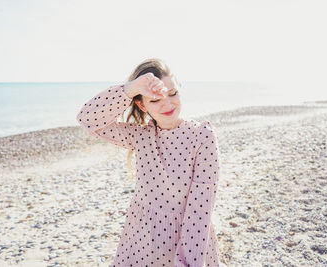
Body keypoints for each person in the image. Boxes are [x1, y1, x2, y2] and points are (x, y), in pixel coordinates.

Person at [76, 58, 221, 266]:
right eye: (155, 100)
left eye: (173, 94)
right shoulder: (140, 136)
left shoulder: (202, 136)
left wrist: (188, 262)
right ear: (142, 105)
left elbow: (200, 208)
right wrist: (130, 89)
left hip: (188, 240)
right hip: (141, 241)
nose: (168, 104)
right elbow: (88, 119)